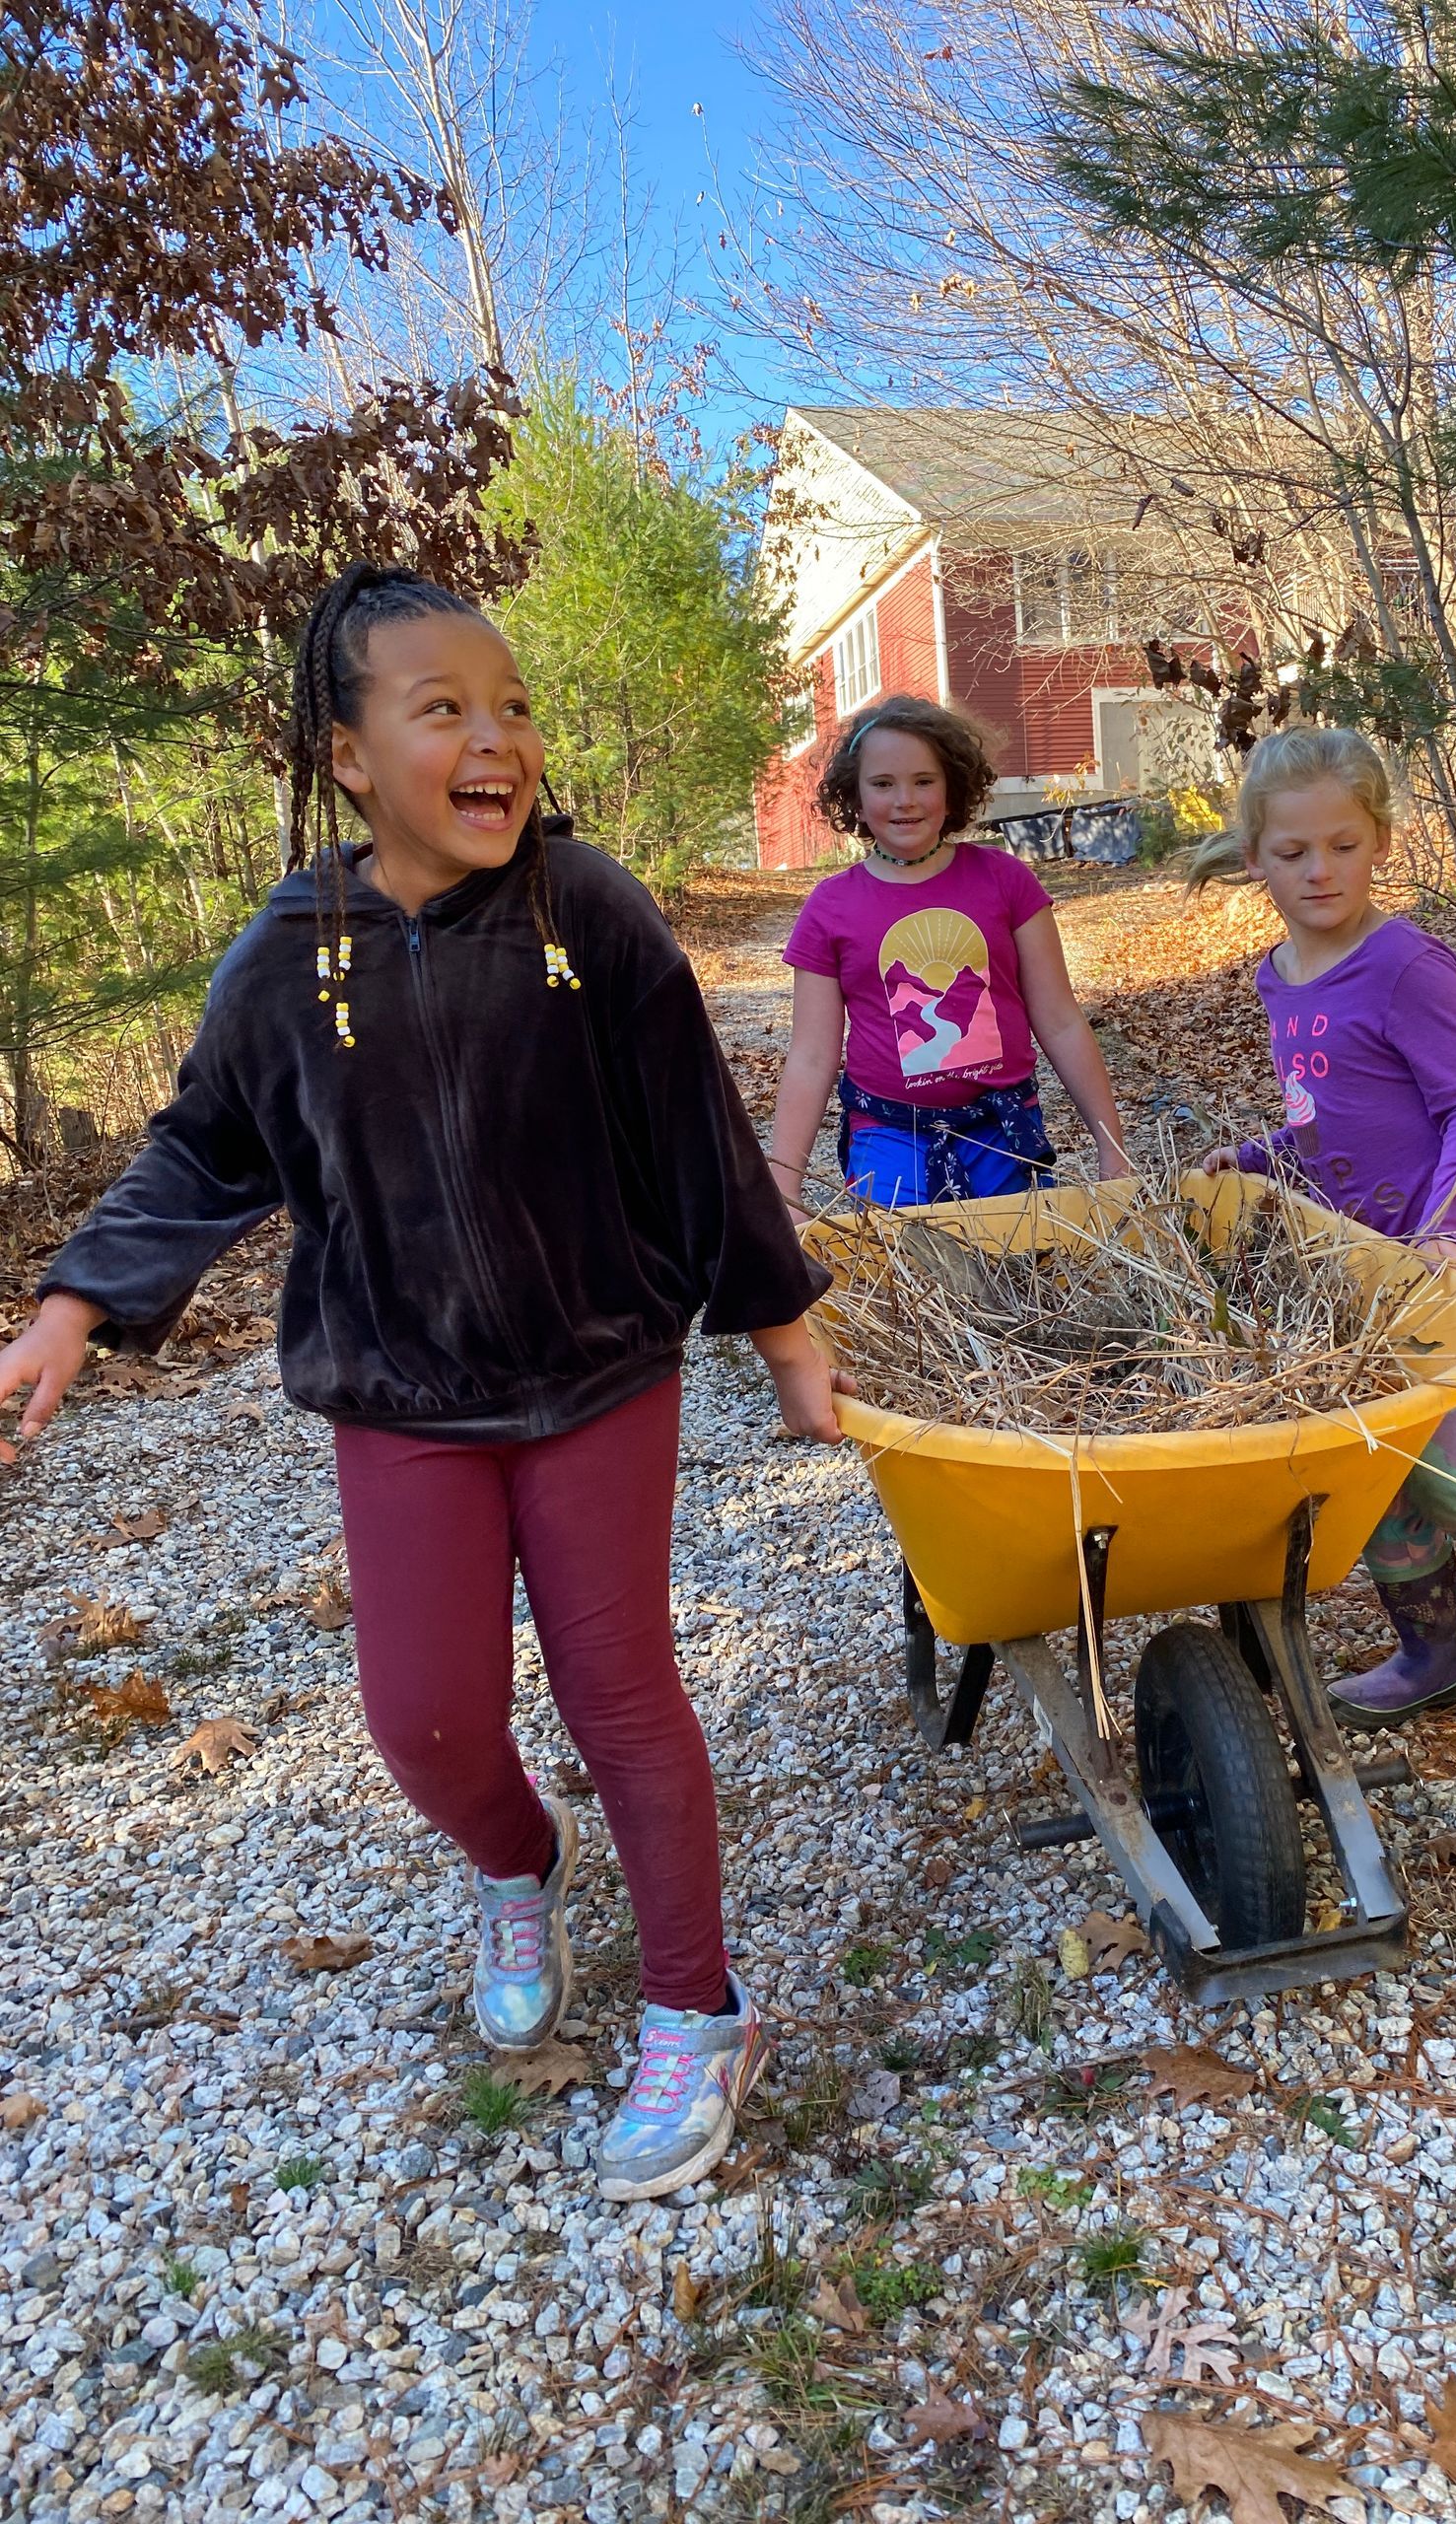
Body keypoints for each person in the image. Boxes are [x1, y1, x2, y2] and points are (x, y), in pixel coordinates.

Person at [0, 563, 847, 2201]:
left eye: (512, 706)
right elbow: (202, 1147)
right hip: (397, 1389)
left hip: (600, 1366)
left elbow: (698, 1140)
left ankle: (697, 2006)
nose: (495, 739)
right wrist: (71, 1305)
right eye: (442, 708)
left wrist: (787, 1337)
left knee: (623, 1705)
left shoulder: (582, 913)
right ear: (344, 752)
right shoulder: (288, 958)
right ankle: (515, 1863)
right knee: (425, 1721)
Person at [1193, 726, 1456, 1729]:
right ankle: (1431, 1649)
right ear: (1255, 859)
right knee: (1372, 1473)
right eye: (1292, 852)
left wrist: (1450, 1231)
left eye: (1342, 844)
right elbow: (1320, 1121)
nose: (1318, 869)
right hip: (1370, 1268)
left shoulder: (1409, 966)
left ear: (1379, 843)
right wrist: (1251, 1160)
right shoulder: (1280, 978)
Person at [768, 694, 1131, 1214]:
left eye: (923, 780)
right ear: (853, 792)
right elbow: (810, 1055)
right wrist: (786, 1184)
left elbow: (1060, 1020)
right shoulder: (831, 907)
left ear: (953, 785)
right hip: (888, 1134)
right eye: (882, 783)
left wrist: (1112, 1151)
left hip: (1001, 1128)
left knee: (1013, 1275)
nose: (904, 801)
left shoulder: (1006, 881)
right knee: (910, 1276)